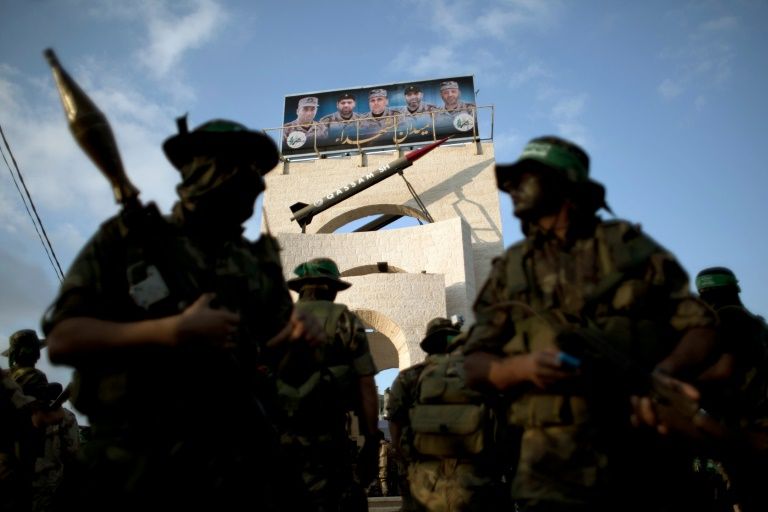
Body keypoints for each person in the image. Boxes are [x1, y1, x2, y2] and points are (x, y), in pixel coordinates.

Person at [43, 116, 321, 511]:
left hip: (238, 464)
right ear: (197, 169)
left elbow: (278, 365)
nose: (252, 183)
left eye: (256, 172)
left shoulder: (256, 263)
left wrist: (298, 338)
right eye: (233, 168)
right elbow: (63, 339)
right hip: (138, 463)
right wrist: (169, 331)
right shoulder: (129, 239)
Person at [462, 135, 719, 512]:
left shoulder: (628, 246)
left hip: (646, 464)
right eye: (511, 181)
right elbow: (474, 364)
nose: (513, 189)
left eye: (525, 178)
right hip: (550, 473)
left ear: (562, 182)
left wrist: (668, 372)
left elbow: (701, 327)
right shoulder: (512, 269)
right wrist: (523, 367)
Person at [631, 266, 768, 511]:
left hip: (747, 424)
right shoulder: (754, 323)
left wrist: (677, 387)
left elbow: (724, 369)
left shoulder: (729, 318)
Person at [278, 257, 381, 511]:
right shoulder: (343, 319)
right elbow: (365, 383)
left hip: (276, 436)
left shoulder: (276, 321)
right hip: (326, 437)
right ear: (332, 289)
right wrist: (371, 438)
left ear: (301, 289)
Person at [387, 317, 504, 511]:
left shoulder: (410, 378)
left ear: (428, 345)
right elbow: (501, 424)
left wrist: (406, 462)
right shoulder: (481, 376)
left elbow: (395, 425)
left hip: (425, 481)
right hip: (475, 479)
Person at [16, 374, 79, 512]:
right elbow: (72, 453)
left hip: (29, 484)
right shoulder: (65, 416)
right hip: (48, 485)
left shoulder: (19, 412)